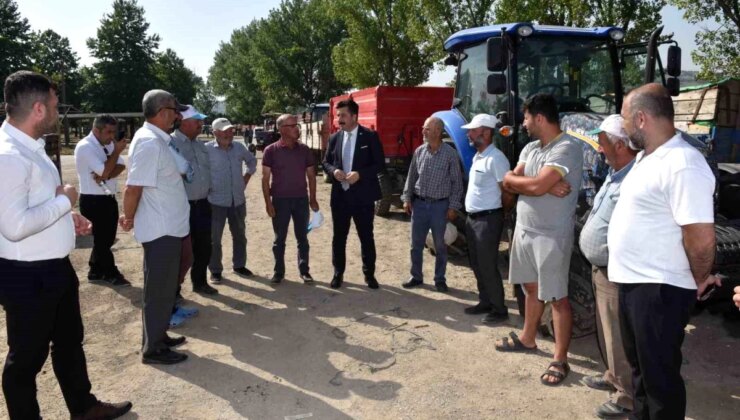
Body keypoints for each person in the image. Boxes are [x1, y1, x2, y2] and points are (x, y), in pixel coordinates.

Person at [0, 70, 132, 420]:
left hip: (54, 267)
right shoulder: (9, 155)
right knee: (25, 361)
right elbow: (14, 227)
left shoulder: (31, 148)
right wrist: (66, 202)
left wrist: (65, 216)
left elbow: (34, 203)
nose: (60, 111)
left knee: (70, 343)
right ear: (39, 109)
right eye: (56, 105)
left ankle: (83, 407)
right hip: (26, 275)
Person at [608, 83, 719, 419]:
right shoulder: (647, 158)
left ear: (641, 118)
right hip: (635, 285)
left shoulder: (683, 162)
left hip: (659, 289)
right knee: (642, 375)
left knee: (660, 383)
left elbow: (700, 237)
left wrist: (700, 277)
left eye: (626, 119)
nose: (623, 127)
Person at [496, 93, 583, 387]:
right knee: (531, 288)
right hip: (525, 230)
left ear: (540, 118)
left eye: (526, 117)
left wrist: (533, 186)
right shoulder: (531, 148)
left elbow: (528, 183)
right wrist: (539, 186)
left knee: (557, 298)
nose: (524, 123)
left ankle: (560, 359)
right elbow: (511, 180)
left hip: (551, 235)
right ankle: (528, 338)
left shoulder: (568, 148)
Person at [120, 89, 190, 365]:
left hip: (169, 226)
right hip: (161, 229)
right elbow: (133, 187)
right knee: (158, 291)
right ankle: (153, 349)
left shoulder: (157, 140)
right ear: (163, 113)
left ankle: (158, 336)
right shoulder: (150, 143)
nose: (178, 116)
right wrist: (128, 217)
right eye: (175, 111)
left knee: (163, 288)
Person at [578, 115, 638, 419]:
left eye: (602, 142)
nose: (598, 149)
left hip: (615, 272)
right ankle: (612, 375)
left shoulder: (633, 179)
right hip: (600, 268)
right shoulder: (615, 173)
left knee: (617, 335)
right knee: (605, 330)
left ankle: (626, 395)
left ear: (619, 144)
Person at [323, 99, 385, 289]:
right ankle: (338, 273)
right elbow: (325, 162)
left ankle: (369, 275)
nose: (339, 119)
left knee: (366, 236)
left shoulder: (370, 137)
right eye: (338, 115)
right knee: (339, 237)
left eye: (342, 115)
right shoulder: (334, 138)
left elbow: (380, 165)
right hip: (340, 198)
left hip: (363, 198)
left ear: (354, 116)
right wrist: (334, 171)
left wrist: (361, 174)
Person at [459, 114, 514, 322]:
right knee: (476, 262)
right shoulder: (478, 156)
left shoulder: (496, 158)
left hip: (488, 220)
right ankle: (485, 301)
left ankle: (499, 309)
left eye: (473, 130)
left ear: (486, 132)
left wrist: (501, 213)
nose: (469, 134)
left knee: (488, 265)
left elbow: (507, 191)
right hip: (473, 219)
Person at [401, 116, 463, 293]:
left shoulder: (450, 155)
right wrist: (407, 198)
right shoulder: (419, 151)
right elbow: (412, 177)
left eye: (427, 128)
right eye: (424, 128)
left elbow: (456, 184)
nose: (423, 131)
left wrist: (453, 207)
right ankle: (416, 276)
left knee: (440, 245)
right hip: (419, 205)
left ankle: (440, 279)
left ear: (437, 131)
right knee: (416, 244)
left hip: (439, 207)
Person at [261, 114, 319, 284]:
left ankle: (304, 271)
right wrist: (268, 203)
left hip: (301, 200)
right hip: (280, 201)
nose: (297, 128)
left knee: (303, 238)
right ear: (282, 129)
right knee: (279, 239)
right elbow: (265, 179)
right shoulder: (270, 151)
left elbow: (311, 176)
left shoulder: (305, 150)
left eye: (297, 125)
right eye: (292, 125)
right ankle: (279, 272)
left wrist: (313, 199)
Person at [74, 114, 130, 286]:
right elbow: (107, 170)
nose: (112, 136)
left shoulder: (108, 145)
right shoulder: (85, 146)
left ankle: (95, 269)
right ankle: (110, 272)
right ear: (96, 130)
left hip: (107, 197)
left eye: (114, 131)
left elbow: (120, 166)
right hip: (93, 199)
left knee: (105, 238)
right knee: (103, 240)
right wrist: (113, 158)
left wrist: (105, 173)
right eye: (108, 132)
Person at [170, 105, 218, 295]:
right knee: (180, 251)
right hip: (181, 206)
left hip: (203, 204)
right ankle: (174, 289)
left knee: (204, 246)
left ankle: (200, 282)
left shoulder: (200, 145)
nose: (201, 124)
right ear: (183, 121)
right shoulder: (170, 144)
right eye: (197, 120)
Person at [205, 117, 257, 283]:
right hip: (215, 202)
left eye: (230, 130)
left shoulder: (239, 147)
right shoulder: (206, 150)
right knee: (214, 239)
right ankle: (215, 270)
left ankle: (239, 265)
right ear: (215, 133)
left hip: (238, 201)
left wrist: (247, 177)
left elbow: (252, 161)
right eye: (224, 130)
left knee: (240, 235)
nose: (229, 133)